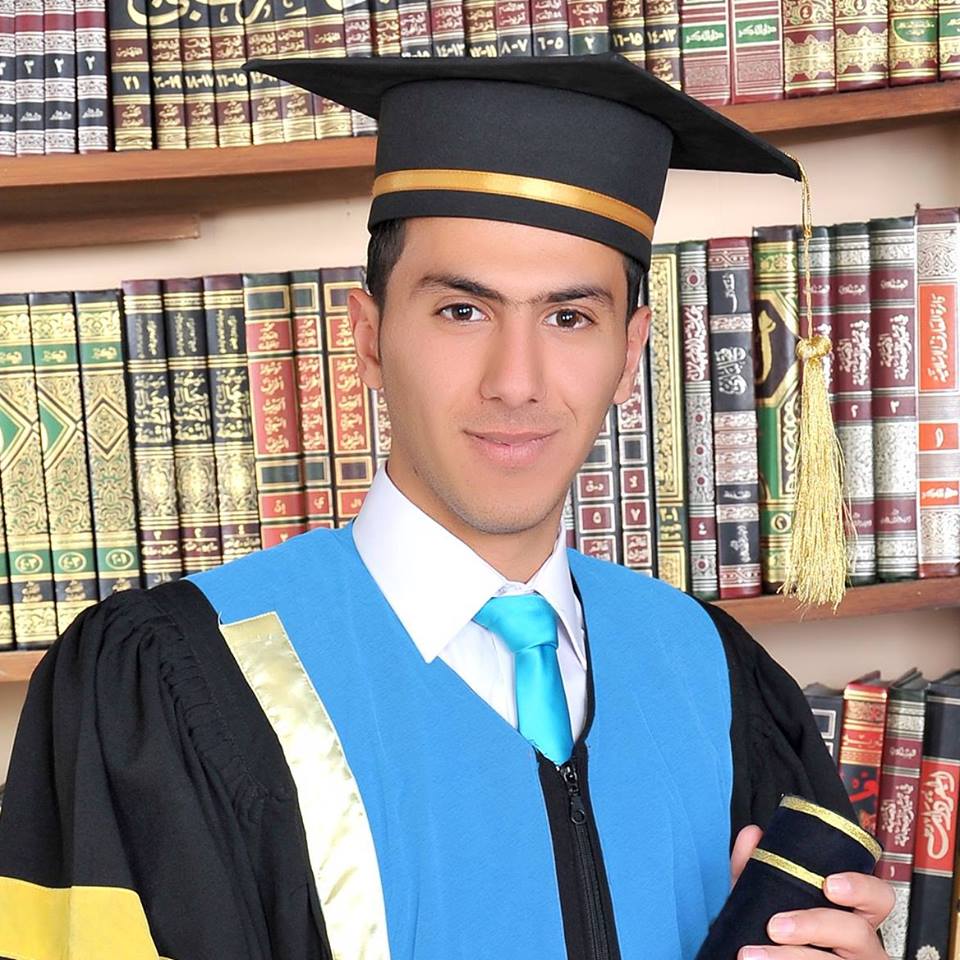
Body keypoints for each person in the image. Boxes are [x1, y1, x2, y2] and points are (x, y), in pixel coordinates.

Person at [0, 55, 893, 960]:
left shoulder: (712, 675)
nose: (516, 382)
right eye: (463, 311)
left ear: (630, 356)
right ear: (369, 338)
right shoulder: (175, 682)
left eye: (570, 317)